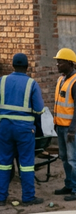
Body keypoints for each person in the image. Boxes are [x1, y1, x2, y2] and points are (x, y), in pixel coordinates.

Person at [0, 53, 45, 206]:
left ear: (12, 65)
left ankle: (1, 198)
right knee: (26, 163)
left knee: (4, 162)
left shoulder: (2, 80)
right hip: (24, 130)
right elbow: (39, 109)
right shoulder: (31, 84)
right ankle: (28, 197)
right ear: (27, 67)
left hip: (4, 127)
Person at [53, 48, 76, 201]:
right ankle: (70, 184)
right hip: (61, 126)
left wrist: (72, 129)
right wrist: (56, 124)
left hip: (72, 128)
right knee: (65, 157)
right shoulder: (61, 79)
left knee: (74, 158)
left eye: (60, 62)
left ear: (69, 63)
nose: (57, 64)